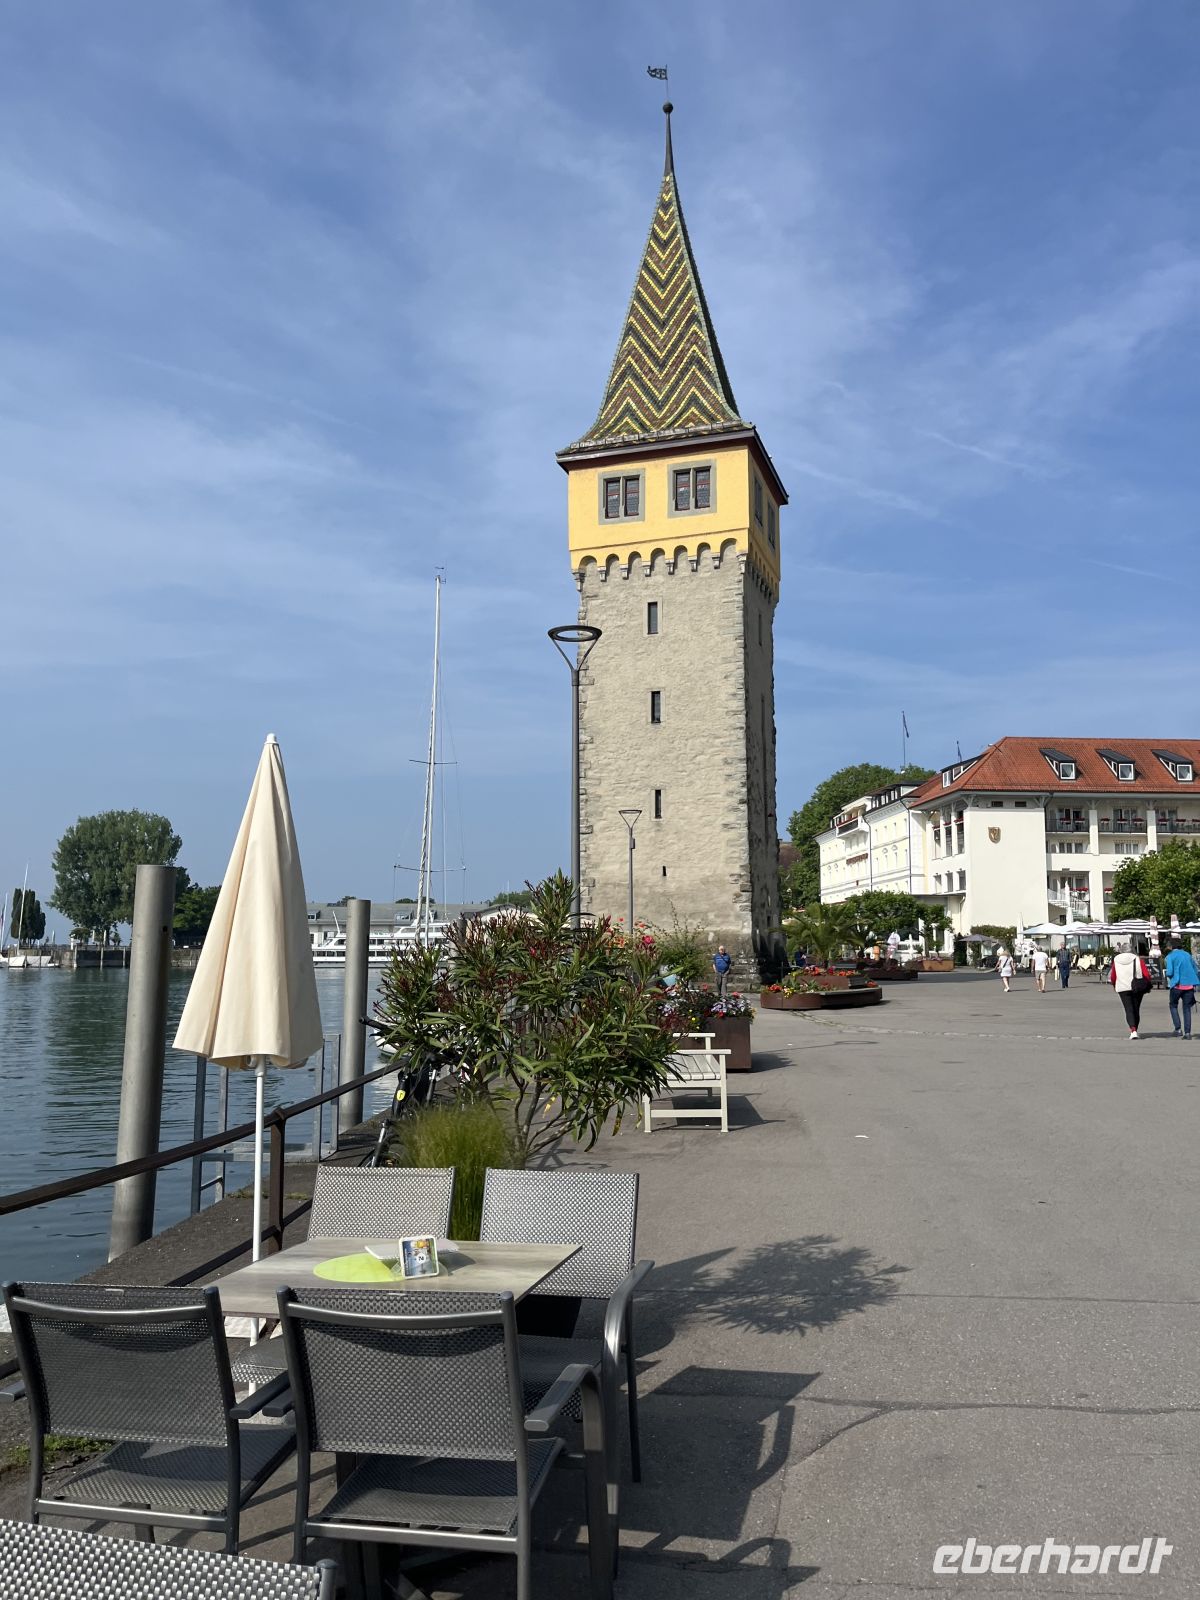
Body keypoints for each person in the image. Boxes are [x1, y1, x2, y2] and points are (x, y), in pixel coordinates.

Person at [1110, 939, 1152, 1039]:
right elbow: (1146, 974)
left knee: (1128, 1009)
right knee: (1136, 1008)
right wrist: (1147, 983)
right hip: (1137, 986)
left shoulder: (1116, 960)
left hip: (1122, 987)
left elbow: (1113, 976)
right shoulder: (1137, 959)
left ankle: (1133, 1030)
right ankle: (1135, 1029)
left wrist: (1115, 985)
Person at [1164, 938, 1199, 1039]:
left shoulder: (1170, 956)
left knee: (1173, 1005)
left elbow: (1170, 972)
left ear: (1171, 946)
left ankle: (1178, 1029)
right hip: (1189, 985)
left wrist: (1168, 976)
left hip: (1177, 985)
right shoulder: (1187, 955)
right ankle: (1187, 1033)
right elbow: (1195, 970)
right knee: (1187, 1009)